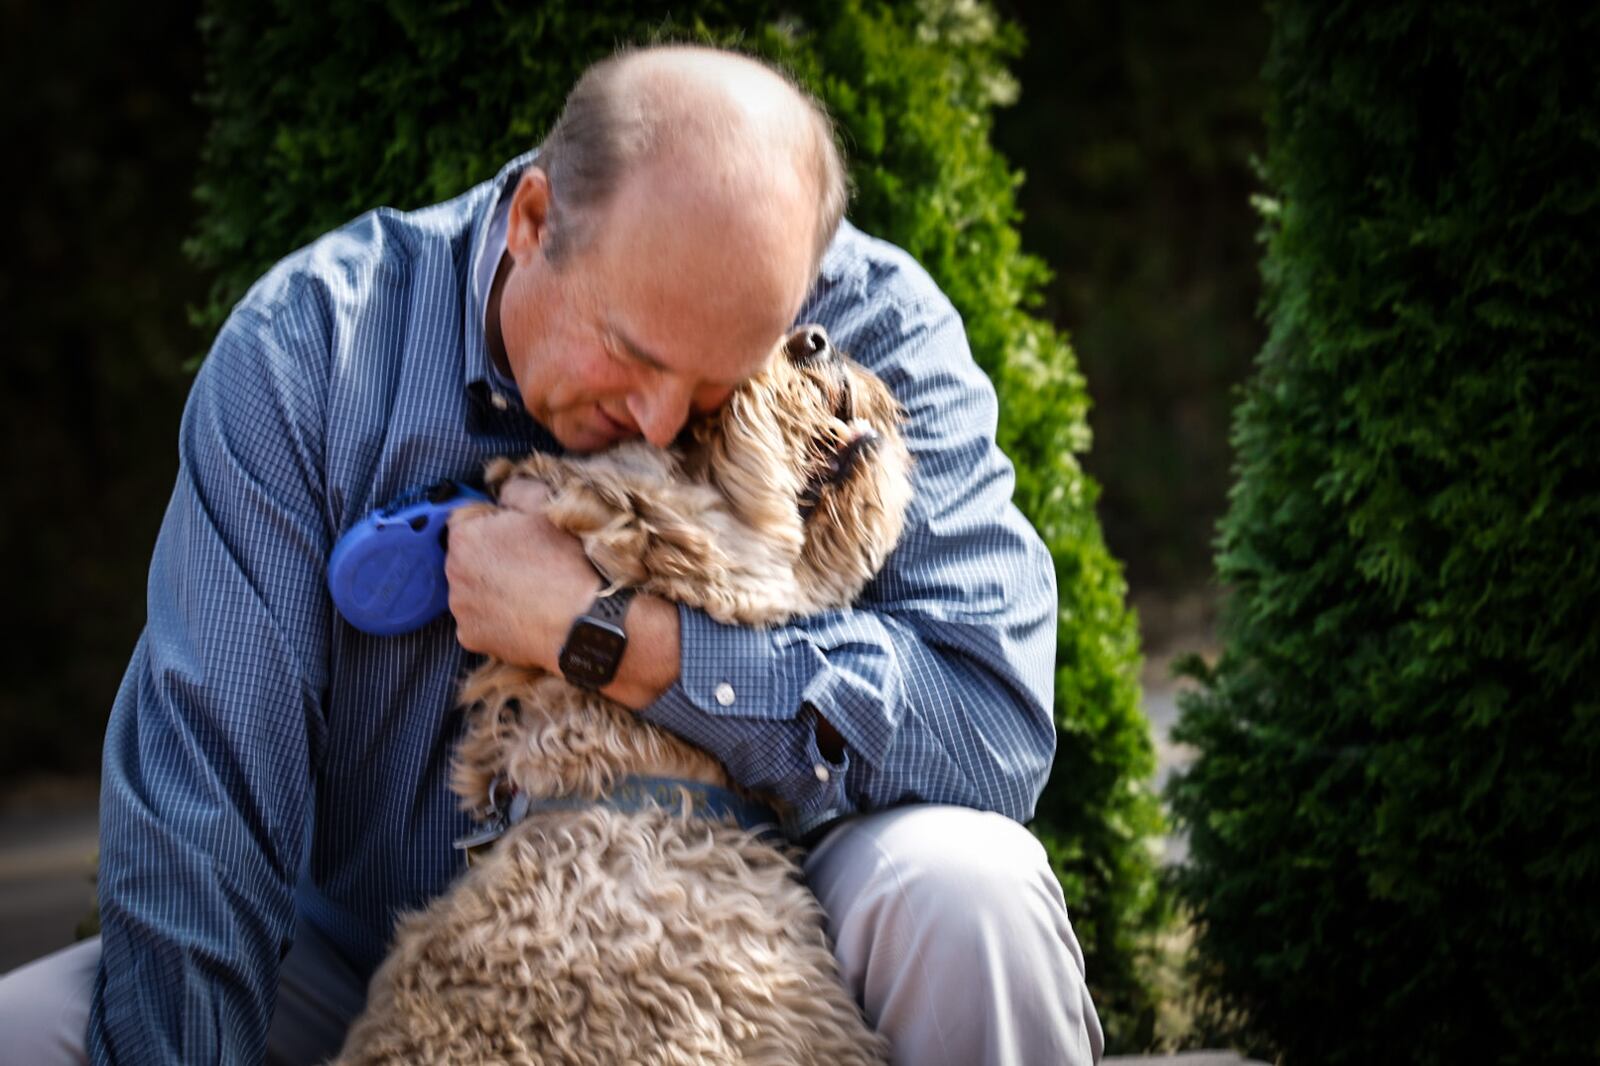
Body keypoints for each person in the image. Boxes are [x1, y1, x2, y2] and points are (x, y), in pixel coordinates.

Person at [0, 45, 1104, 1065]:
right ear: (534, 217)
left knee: (973, 890)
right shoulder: (313, 354)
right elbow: (207, 805)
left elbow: (988, 726)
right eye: (631, 353)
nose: (665, 423)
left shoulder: (875, 322)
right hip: (378, 955)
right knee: (27, 1030)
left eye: (717, 388)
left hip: (770, 907)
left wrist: (615, 638)